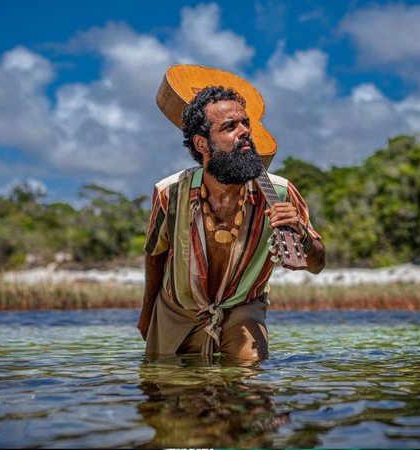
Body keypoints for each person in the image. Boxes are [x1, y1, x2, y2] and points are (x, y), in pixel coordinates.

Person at [137, 85, 325, 361]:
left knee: (248, 390)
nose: (245, 131)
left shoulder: (280, 192)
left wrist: (302, 233)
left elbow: (318, 265)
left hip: (244, 307)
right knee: (163, 393)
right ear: (202, 143)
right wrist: (147, 312)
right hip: (178, 310)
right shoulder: (170, 192)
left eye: (245, 123)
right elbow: (155, 253)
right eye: (230, 126)